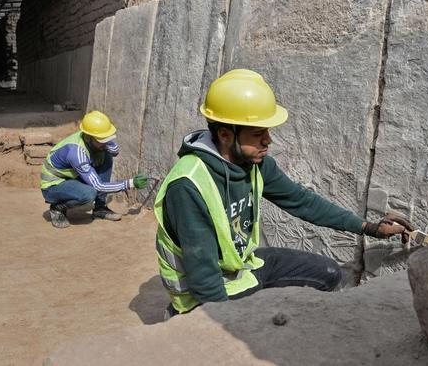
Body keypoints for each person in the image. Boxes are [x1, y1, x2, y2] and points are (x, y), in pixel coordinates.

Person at [154, 69, 406, 318]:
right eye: (258, 133)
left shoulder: (254, 164)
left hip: (242, 268)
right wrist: (228, 330)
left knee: (328, 273)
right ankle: (182, 321)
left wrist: (370, 228)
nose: (268, 140)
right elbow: (204, 280)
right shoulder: (188, 185)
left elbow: (302, 201)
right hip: (205, 291)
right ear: (224, 134)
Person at [40, 110, 148, 228]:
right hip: (54, 186)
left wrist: (106, 144)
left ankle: (100, 208)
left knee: (106, 155)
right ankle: (57, 208)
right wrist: (130, 183)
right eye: (101, 140)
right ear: (88, 137)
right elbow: (99, 186)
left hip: (72, 177)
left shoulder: (93, 140)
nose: (105, 142)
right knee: (88, 193)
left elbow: (115, 151)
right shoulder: (76, 153)